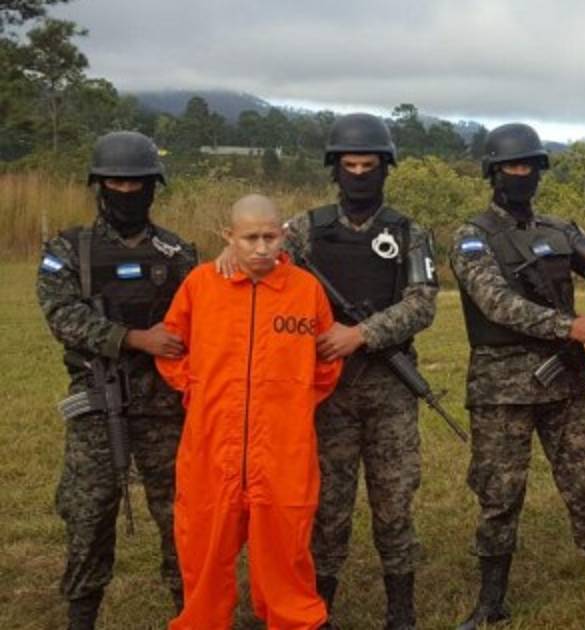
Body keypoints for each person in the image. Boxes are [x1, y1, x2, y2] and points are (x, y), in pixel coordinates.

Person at [216, 112, 439, 628]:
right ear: (335, 169)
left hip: (389, 387)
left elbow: (422, 304)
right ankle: (316, 609)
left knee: (394, 503)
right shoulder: (303, 230)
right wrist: (231, 251)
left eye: (368, 166)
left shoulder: (409, 232)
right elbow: (261, 256)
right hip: (324, 390)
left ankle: (401, 612)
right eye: (349, 166)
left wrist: (360, 334)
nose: (359, 175)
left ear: (385, 168)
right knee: (324, 507)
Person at [449, 122, 585, 629]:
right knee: (499, 495)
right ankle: (490, 601)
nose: (521, 174)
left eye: (529, 166)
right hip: (502, 388)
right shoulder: (472, 237)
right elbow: (496, 303)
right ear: (493, 173)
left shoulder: (561, 230)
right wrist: (569, 326)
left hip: (564, 382)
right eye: (511, 167)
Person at [157, 194, 342, 630]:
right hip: (211, 444)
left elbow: (327, 360)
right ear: (229, 236)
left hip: (283, 447)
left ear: (283, 236)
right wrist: (199, 389)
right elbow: (170, 346)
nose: (261, 248)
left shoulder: (305, 290)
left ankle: (295, 620)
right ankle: (202, 621)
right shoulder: (202, 285)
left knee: (286, 543)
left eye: (270, 237)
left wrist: (292, 400)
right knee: (203, 542)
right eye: (250, 238)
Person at [36, 131, 195, 629]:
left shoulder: (177, 252)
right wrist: (134, 338)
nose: (127, 191)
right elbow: (62, 315)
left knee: (182, 517)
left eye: (137, 183)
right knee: (87, 514)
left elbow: (202, 315)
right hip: (98, 401)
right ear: (99, 186)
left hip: (165, 406)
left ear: (153, 187)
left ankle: (191, 610)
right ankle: (82, 614)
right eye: (116, 183)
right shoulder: (68, 249)